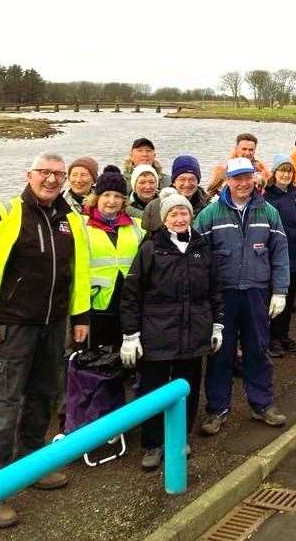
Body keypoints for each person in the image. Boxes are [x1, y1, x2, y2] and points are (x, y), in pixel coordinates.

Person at [0, 152, 90, 529]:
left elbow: (76, 273)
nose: (51, 179)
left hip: (53, 327)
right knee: (2, 406)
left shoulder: (70, 220)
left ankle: (31, 465)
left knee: (42, 398)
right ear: (29, 174)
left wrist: (80, 318)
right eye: (44, 172)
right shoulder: (4, 213)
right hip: (11, 328)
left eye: (57, 174)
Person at [119, 192, 223, 470]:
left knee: (186, 389)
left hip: (194, 333)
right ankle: (152, 444)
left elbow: (215, 290)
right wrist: (131, 335)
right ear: (164, 220)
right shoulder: (150, 249)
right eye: (173, 214)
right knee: (153, 390)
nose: (179, 218)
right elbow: (131, 294)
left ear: (191, 216)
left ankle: (180, 439)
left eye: (184, 213)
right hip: (157, 334)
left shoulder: (202, 247)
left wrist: (217, 325)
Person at [195, 157, 290, 432]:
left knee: (257, 349)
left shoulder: (268, 211)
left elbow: (280, 253)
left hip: (256, 292)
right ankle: (217, 409)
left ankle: (262, 404)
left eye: (247, 177)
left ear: (254, 179)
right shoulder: (210, 214)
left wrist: (280, 291)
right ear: (227, 181)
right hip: (222, 295)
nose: (243, 183)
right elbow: (198, 255)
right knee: (220, 353)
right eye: (237, 178)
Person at [84, 166, 145, 348]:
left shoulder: (138, 226)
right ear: (97, 198)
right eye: (107, 195)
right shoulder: (81, 226)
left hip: (131, 305)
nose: (112, 201)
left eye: (118, 196)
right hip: (95, 305)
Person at [263, 155, 296, 357]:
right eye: (281, 170)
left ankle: (283, 335)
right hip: (274, 259)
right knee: (273, 300)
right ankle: (271, 338)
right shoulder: (265, 197)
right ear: (274, 173)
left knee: (289, 300)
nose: (285, 174)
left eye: (289, 171)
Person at [142, 155, 211, 232]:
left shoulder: (208, 208)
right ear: (174, 182)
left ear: (198, 182)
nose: (187, 184)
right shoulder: (154, 207)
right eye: (182, 179)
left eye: (192, 179)